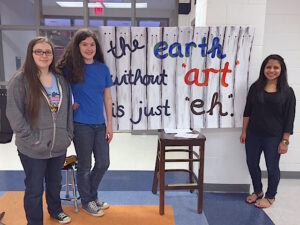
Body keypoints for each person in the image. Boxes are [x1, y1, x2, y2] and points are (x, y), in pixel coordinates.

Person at [6, 37, 73, 224]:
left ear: (53, 55)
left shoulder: (60, 80)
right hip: (32, 148)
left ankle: (55, 210)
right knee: (35, 188)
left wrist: (68, 134)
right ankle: (35, 221)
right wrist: (30, 138)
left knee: (55, 182)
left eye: (48, 52)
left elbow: (67, 110)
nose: (44, 55)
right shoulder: (20, 81)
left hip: (58, 144)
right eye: (39, 51)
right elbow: (14, 114)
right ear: (31, 53)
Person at [56, 28, 113, 217]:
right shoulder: (68, 69)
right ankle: (88, 201)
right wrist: (70, 104)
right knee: (85, 166)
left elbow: (107, 98)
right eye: (84, 44)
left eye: (92, 44)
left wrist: (110, 126)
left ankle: (90, 195)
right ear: (77, 46)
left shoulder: (102, 69)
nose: (89, 48)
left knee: (104, 162)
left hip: (100, 125)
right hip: (80, 125)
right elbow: (56, 89)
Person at [240, 54, 296, 208]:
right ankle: (258, 191)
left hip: (273, 138)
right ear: (263, 69)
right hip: (253, 135)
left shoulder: (288, 92)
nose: (271, 70)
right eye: (268, 67)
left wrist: (285, 141)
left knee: (272, 167)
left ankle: (271, 196)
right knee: (251, 163)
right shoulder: (255, 87)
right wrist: (244, 131)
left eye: (275, 67)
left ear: (281, 70)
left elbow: (289, 119)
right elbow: (247, 112)